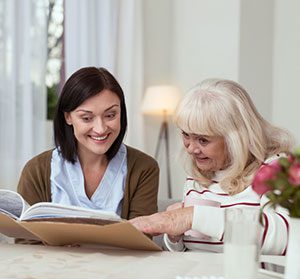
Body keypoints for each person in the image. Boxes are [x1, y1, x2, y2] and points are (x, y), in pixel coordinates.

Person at [130, 78, 293, 254]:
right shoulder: (199, 173)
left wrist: (193, 217)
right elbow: (185, 250)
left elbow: (286, 238)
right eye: (186, 135)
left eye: (203, 140)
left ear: (235, 139)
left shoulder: (275, 169)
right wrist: (174, 236)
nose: (191, 149)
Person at [18, 67, 159, 223]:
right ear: (68, 117)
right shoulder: (36, 171)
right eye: (86, 118)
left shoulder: (144, 168)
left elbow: (141, 238)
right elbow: (26, 240)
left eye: (110, 115)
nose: (100, 129)